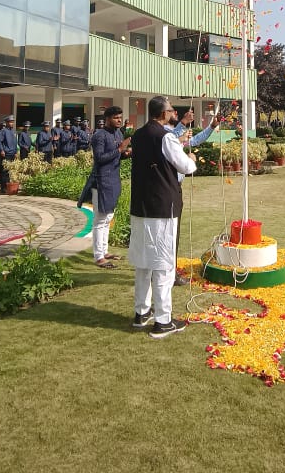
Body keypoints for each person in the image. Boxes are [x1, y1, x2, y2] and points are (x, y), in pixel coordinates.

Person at [128, 96, 196, 338]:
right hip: (161, 207)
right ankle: (163, 320)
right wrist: (192, 160)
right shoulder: (165, 137)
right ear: (164, 113)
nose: (173, 113)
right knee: (164, 265)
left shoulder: (138, 135)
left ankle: (141, 312)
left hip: (141, 206)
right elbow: (185, 166)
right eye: (170, 110)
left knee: (143, 263)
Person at [169, 105, 222, 285]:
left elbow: (195, 140)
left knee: (174, 232)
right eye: (171, 111)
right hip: (168, 187)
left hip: (176, 187)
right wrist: (183, 125)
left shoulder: (177, 134)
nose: (175, 114)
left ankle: (170, 270)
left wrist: (212, 126)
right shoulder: (165, 133)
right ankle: (167, 273)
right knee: (170, 233)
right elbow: (170, 140)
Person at [91, 105, 130, 268]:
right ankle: (98, 256)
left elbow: (116, 156)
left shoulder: (118, 133)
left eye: (120, 117)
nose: (119, 120)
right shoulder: (99, 135)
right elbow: (100, 158)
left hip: (113, 179)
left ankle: (105, 250)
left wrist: (125, 154)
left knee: (108, 218)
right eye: (115, 118)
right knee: (100, 219)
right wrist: (120, 149)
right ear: (107, 119)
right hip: (101, 181)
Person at [0, 115, 17, 193]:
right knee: (4, 171)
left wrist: (16, 152)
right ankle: (3, 188)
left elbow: (15, 143)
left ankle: (9, 186)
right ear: (6, 123)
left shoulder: (13, 131)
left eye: (12, 122)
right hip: (6, 154)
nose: (12, 123)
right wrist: (2, 150)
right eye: (10, 122)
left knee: (10, 171)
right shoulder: (3, 131)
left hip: (12, 153)